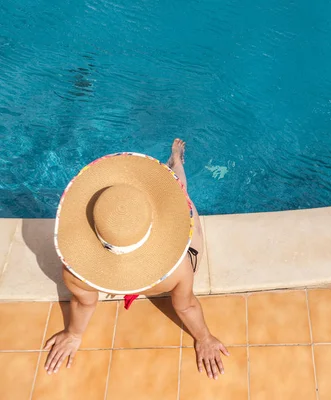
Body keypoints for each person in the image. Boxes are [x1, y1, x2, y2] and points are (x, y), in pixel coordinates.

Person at [44, 139, 228, 380]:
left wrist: (74, 333)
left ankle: (175, 162)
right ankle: (174, 165)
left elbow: (83, 303)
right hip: (167, 252)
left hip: (139, 245)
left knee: (180, 193)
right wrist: (204, 337)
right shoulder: (178, 270)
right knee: (180, 195)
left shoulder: (77, 272)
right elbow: (186, 305)